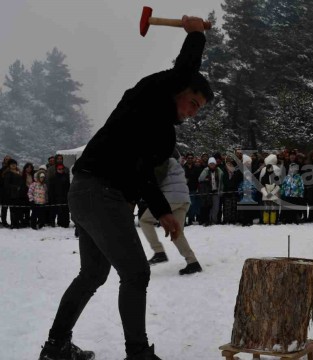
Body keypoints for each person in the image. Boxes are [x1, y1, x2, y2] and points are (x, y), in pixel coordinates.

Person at [38, 15, 213, 360]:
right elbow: (182, 72)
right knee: (135, 272)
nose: (193, 113)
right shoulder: (146, 97)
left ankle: (56, 347)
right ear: (179, 90)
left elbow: (144, 174)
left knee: (92, 274)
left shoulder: (163, 134)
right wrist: (195, 36)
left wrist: (162, 211)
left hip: (96, 195)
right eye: (193, 103)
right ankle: (138, 354)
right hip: (99, 192)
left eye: (199, 110)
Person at [141, 155, 202, 275]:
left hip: (171, 197)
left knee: (145, 220)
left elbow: (156, 178)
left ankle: (158, 251)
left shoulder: (162, 159)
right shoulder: (175, 163)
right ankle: (193, 262)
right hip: (184, 199)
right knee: (176, 232)